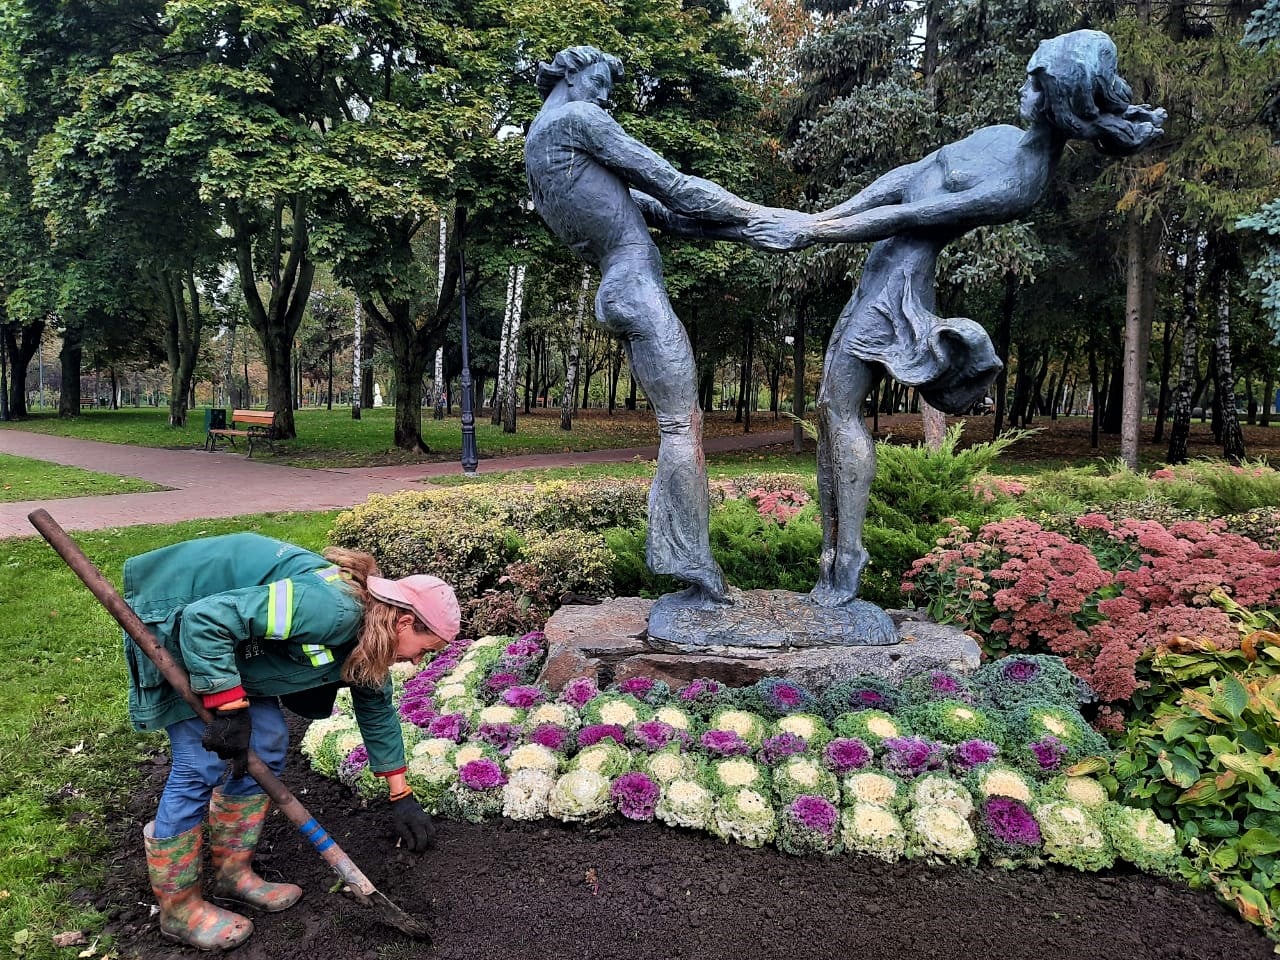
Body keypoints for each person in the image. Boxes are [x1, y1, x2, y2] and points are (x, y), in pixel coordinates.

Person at [746, 29, 1164, 609]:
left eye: (1036, 81)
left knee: (838, 412)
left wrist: (815, 233)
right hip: (875, 277)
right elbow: (908, 176)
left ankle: (845, 565)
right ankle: (833, 565)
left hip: (896, 289)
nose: (1024, 88)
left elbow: (916, 212)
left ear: (1061, 98)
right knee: (829, 410)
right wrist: (819, 218)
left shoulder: (1022, 183)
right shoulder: (999, 137)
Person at [525, 45, 803, 603]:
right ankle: (691, 567)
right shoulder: (578, 120)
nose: (605, 97)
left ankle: (685, 561)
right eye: (600, 81)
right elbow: (671, 184)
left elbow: (664, 214)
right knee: (682, 427)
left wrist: (747, 233)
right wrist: (766, 215)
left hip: (619, 282)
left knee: (681, 424)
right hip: (633, 282)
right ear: (571, 74)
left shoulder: (542, 143)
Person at [123, 532, 458, 950]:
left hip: (228, 638)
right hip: (176, 618)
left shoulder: (372, 633)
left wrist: (400, 794)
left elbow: (377, 711)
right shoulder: (332, 609)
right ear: (405, 622)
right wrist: (229, 710)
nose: (416, 661)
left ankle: (233, 875)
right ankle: (179, 909)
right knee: (199, 762)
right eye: (422, 649)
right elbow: (205, 620)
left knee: (268, 740)